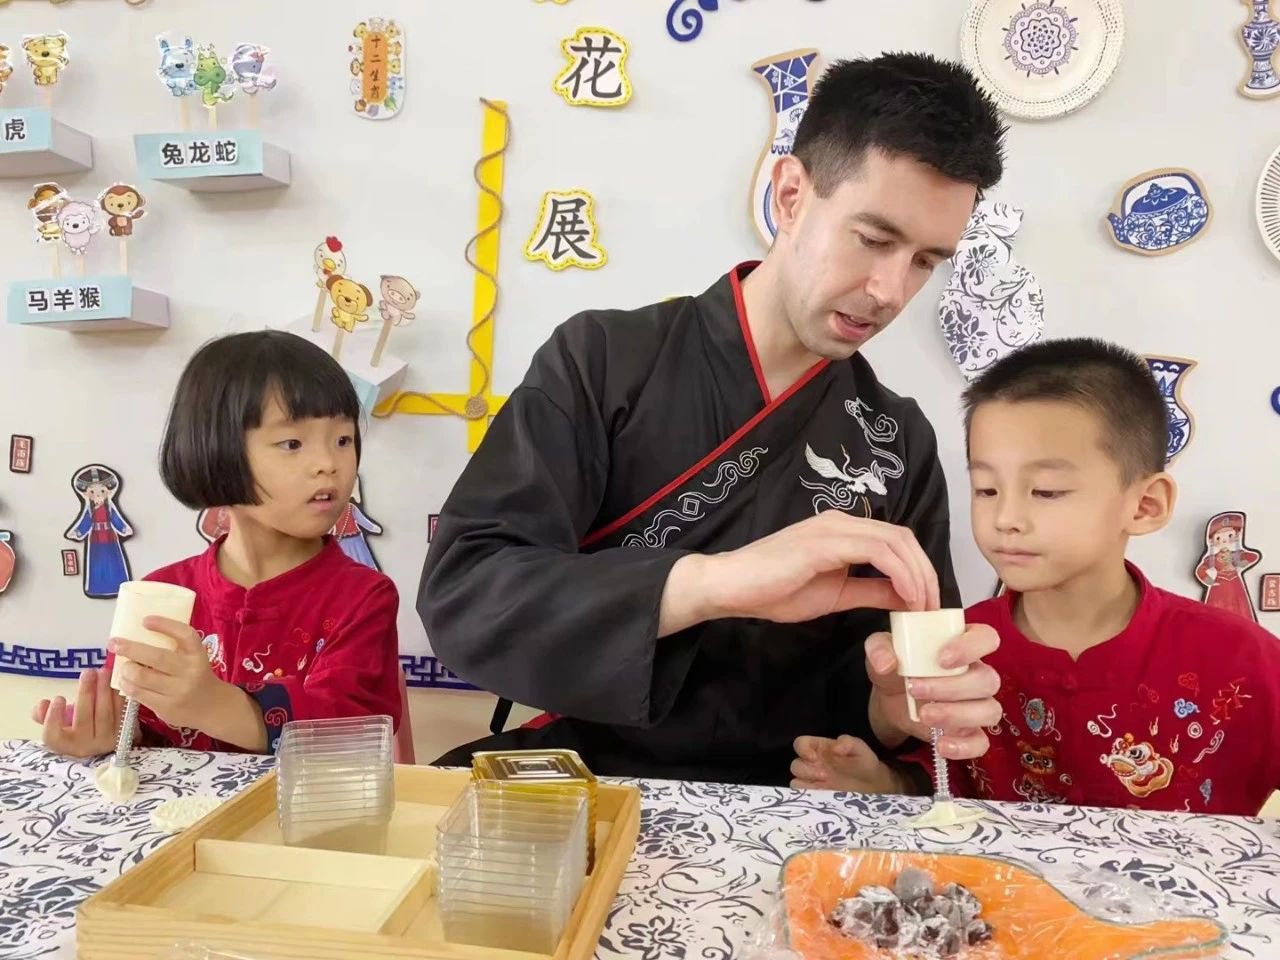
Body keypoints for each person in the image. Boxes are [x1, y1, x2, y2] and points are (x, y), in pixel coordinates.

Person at [421, 52, 1009, 785]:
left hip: (795, 794)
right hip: (593, 771)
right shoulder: (603, 359)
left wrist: (897, 709)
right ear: (791, 195)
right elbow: (469, 592)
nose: (891, 290)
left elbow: (895, 691)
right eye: (873, 238)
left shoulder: (894, 441)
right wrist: (712, 583)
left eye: (925, 261)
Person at [790, 338, 1280, 815]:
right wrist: (882, 783)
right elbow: (940, 784)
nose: (1006, 518)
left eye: (1045, 491)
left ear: (1145, 505)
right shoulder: (960, 646)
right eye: (986, 489)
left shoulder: (1243, 657)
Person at [34, 331, 403, 757]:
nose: (328, 464)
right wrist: (102, 735)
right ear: (218, 451)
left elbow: (354, 736)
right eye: (292, 444)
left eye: (343, 440)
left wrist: (216, 706)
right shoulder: (161, 595)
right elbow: (133, 725)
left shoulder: (363, 597)